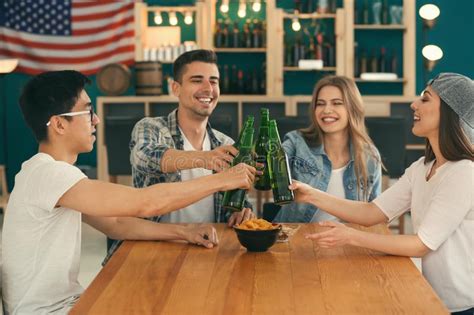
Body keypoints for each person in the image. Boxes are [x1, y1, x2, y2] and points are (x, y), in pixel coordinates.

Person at [1, 70, 257, 315]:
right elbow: (146, 203)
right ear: (58, 124)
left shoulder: (47, 174)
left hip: (67, 304)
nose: (96, 119)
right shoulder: (49, 175)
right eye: (88, 111)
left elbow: (117, 223)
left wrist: (183, 232)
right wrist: (222, 180)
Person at [290, 73, 473, 314]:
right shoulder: (421, 168)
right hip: (431, 296)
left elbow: (420, 245)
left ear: (450, 112)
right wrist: (311, 194)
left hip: (462, 305)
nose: (413, 104)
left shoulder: (464, 172)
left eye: (425, 99)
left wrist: (350, 236)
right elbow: (371, 212)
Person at [104, 49, 255, 263]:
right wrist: (204, 158)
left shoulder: (225, 143)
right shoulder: (151, 128)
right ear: (176, 88)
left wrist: (243, 211)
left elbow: (238, 201)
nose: (208, 88)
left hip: (208, 250)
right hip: (151, 249)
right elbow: (147, 156)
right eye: (196, 80)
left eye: (214, 81)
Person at [274, 75, 382, 223]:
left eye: (337, 103)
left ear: (353, 108)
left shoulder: (369, 156)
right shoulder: (296, 142)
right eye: (320, 103)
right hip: (297, 238)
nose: (326, 110)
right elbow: (272, 162)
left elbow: (376, 215)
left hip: (348, 241)